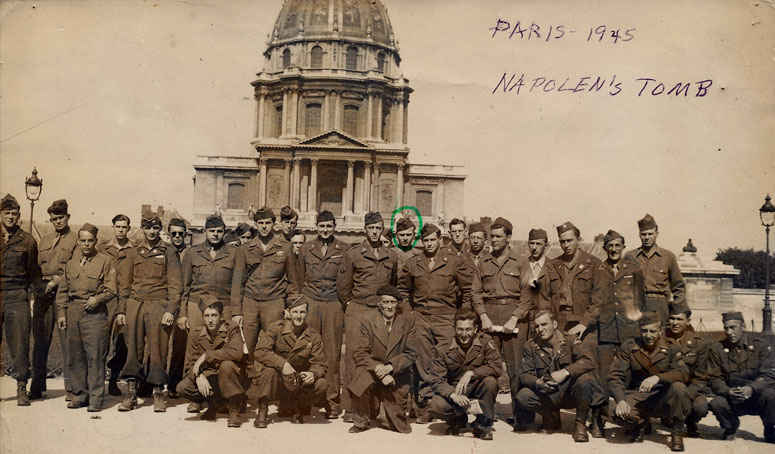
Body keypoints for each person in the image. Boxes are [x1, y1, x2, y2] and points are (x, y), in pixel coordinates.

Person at [397, 223, 474, 423]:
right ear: (422, 242)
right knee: (422, 361)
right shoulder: (414, 263)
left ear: (440, 240)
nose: (430, 244)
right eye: (426, 240)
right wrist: (409, 314)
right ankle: (424, 405)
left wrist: (462, 314)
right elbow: (403, 291)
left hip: (446, 316)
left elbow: (467, 290)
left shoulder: (454, 262)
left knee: (445, 358)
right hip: (421, 317)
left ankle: (447, 402)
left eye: (433, 240)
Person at [337, 211, 400, 422]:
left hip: (379, 312)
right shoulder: (353, 253)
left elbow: (392, 283)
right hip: (358, 310)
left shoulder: (390, 255)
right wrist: (351, 305)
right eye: (371, 228)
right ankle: (351, 407)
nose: (374, 232)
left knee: (377, 357)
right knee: (354, 359)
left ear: (382, 229)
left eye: (378, 228)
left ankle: (372, 407)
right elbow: (343, 286)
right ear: (365, 229)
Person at [117, 215, 183, 412]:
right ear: (142, 229)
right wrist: (122, 310)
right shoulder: (133, 252)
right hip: (135, 304)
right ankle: (131, 394)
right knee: (133, 349)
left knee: (158, 350)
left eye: (156, 228)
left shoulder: (169, 252)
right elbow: (125, 285)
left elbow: (175, 285)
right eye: (148, 228)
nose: (152, 232)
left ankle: (158, 393)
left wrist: (171, 310)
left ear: (160, 229)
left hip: (158, 305)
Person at [471, 217, 530, 429]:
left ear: (508, 238)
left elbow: (527, 293)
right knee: (489, 367)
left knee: (516, 368)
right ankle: (487, 415)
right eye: (492, 236)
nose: (493, 240)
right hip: (490, 315)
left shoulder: (521, 261)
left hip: (514, 316)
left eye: (498, 236)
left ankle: (521, 416)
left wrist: (515, 316)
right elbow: (475, 292)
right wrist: (483, 315)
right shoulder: (483, 261)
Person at [516, 310, 607, 441]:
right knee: (523, 396)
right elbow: (524, 375)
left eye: (544, 324)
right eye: (537, 326)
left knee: (585, 379)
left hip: (571, 392)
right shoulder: (530, 345)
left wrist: (565, 372)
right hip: (549, 392)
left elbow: (588, 361)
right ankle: (551, 416)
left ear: (554, 324)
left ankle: (580, 424)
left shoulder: (570, 340)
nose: (540, 329)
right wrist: (538, 383)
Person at [179, 214, 239, 413]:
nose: (215, 234)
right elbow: (185, 286)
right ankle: (197, 396)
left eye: (219, 231)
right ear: (205, 231)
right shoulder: (192, 253)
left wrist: (236, 312)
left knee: (224, 349)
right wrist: (183, 313)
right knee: (196, 348)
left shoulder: (233, 253)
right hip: (197, 306)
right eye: (212, 231)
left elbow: (237, 285)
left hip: (224, 306)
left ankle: (222, 395)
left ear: (224, 232)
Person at [55, 223, 117, 412]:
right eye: (83, 241)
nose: (86, 244)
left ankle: (96, 399)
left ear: (96, 241)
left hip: (95, 315)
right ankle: (79, 395)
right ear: (78, 241)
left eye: (90, 241)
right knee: (76, 355)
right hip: (74, 312)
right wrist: (62, 314)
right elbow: (63, 291)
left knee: (95, 356)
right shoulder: (71, 263)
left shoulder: (105, 261)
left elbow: (112, 289)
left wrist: (97, 299)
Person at [607, 311, 690, 451]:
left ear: (660, 330)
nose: (648, 335)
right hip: (638, 395)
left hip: (662, 397)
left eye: (653, 331)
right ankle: (640, 424)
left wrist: (658, 377)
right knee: (618, 414)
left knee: (679, 388)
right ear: (639, 331)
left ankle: (677, 432)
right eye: (644, 331)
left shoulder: (671, 347)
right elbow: (614, 375)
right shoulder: (629, 346)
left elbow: (683, 373)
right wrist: (621, 400)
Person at [298, 211, 349, 419]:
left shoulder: (343, 249)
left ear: (334, 226)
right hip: (311, 302)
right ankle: (306, 400)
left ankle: (331, 400)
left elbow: (345, 279)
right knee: (309, 350)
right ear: (316, 227)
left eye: (329, 226)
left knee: (332, 353)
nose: (325, 230)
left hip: (332, 303)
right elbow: (300, 277)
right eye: (322, 226)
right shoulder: (306, 248)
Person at [249, 295, 327, 428]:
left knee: (321, 384)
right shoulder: (276, 328)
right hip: (278, 380)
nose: (298, 316)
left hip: (297, 382)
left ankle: (297, 407)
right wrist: (282, 364)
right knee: (269, 371)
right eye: (295, 312)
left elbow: (320, 363)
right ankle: (263, 409)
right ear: (288, 312)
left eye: (302, 312)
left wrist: (313, 374)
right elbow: (260, 351)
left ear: (307, 313)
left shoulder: (312, 335)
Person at [348, 285, 417, 434]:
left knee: (395, 425)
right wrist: (379, 369)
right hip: (373, 369)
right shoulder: (367, 320)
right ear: (379, 304)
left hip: (396, 373)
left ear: (397, 304)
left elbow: (411, 354)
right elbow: (360, 352)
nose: (389, 306)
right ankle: (361, 420)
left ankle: (382, 409)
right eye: (385, 302)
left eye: (392, 302)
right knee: (360, 380)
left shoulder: (407, 322)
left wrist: (391, 367)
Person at [232, 208, 298, 354]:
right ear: (255, 224)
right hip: (250, 303)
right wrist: (236, 311)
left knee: (274, 346)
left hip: (274, 302)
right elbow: (237, 282)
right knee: (246, 347)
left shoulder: (286, 248)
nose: (264, 226)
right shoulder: (244, 249)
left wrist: (290, 306)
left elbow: (293, 282)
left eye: (267, 223)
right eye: (260, 223)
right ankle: (247, 376)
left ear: (274, 224)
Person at [428, 309, 501, 440]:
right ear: (454, 328)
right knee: (436, 405)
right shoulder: (444, 347)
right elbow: (435, 379)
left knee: (490, 382)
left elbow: (497, 367)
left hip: (478, 387)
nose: (464, 334)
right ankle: (458, 420)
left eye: (468, 329)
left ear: (475, 329)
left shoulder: (485, 341)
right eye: (460, 329)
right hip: (456, 391)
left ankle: (483, 426)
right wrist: (452, 394)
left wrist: (472, 373)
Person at [32, 199, 79, 400]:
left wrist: (56, 281)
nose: (57, 222)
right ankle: (37, 384)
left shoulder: (76, 240)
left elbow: (76, 268)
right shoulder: (44, 239)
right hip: (43, 294)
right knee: (40, 340)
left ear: (67, 217)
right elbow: (35, 268)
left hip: (63, 296)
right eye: (53, 219)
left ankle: (71, 387)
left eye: (60, 218)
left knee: (67, 342)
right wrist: (37, 289)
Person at [706, 311, 775, 443]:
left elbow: (769, 374)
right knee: (717, 403)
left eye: (733, 327)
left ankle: (770, 428)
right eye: (726, 328)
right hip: (733, 396)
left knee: (771, 395)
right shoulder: (717, 348)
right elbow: (714, 378)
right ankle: (730, 427)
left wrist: (751, 388)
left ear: (743, 326)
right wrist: (727, 391)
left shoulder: (760, 345)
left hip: (757, 395)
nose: (729, 332)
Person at [176, 299, 247, 428]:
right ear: (202, 317)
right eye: (207, 316)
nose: (210, 320)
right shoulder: (196, 333)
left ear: (220, 317)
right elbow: (189, 364)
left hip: (231, 376)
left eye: (214, 315)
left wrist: (207, 355)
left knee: (227, 366)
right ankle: (214, 404)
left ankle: (234, 409)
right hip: (211, 377)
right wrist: (198, 376)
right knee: (183, 387)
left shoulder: (231, 327)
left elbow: (237, 353)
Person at [591, 230, 646, 391]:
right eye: (610, 246)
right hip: (606, 331)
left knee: (627, 372)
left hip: (629, 330)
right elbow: (595, 299)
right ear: (605, 248)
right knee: (604, 373)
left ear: (623, 247)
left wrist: (639, 328)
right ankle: (601, 413)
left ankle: (626, 411)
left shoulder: (634, 269)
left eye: (617, 245)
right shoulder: (599, 269)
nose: (614, 249)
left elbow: (641, 301)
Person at [0, 194, 41, 406]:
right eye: (6, 213)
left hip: (17, 295)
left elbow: (34, 273)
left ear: (19, 216)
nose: (10, 217)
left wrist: (32, 298)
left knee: (20, 344)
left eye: (14, 214)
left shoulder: (27, 241)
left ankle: (21, 387)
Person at [541, 221, 603, 337]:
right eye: (562, 242)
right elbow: (545, 297)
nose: (566, 245)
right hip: (558, 322)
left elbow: (598, 300)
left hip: (584, 323)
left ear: (578, 239)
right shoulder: (552, 265)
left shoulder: (593, 264)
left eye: (569, 240)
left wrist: (585, 323)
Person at [625, 214, 685, 323]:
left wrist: (675, 309)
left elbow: (678, 286)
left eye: (650, 234)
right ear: (639, 235)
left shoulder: (668, 256)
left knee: (659, 338)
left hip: (660, 305)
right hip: (636, 306)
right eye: (643, 234)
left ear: (656, 234)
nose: (647, 237)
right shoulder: (630, 256)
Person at [663, 301, 711, 438]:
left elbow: (701, 377)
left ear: (688, 321)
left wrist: (687, 395)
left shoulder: (698, 343)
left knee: (700, 407)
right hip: (666, 389)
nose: (675, 323)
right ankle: (664, 417)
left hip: (690, 388)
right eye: (672, 318)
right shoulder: (659, 339)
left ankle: (690, 421)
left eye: (679, 319)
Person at [99, 214, 134, 397]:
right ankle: (97, 382)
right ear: (113, 227)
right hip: (107, 301)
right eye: (118, 226)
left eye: (124, 227)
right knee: (102, 341)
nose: (121, 230)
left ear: (129, 228)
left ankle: (113, 379)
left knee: (122, 343)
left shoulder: (134, 250)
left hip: (126, 301)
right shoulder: (103, 249)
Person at [167, 217, 189, 397]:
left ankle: (175, 384)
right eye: (173, 233)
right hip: (166, 302)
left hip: (183, 302)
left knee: (180, 343)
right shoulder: (164, 252)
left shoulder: (189, 254)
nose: (177, 237)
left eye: (180, 234)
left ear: (186, 235)